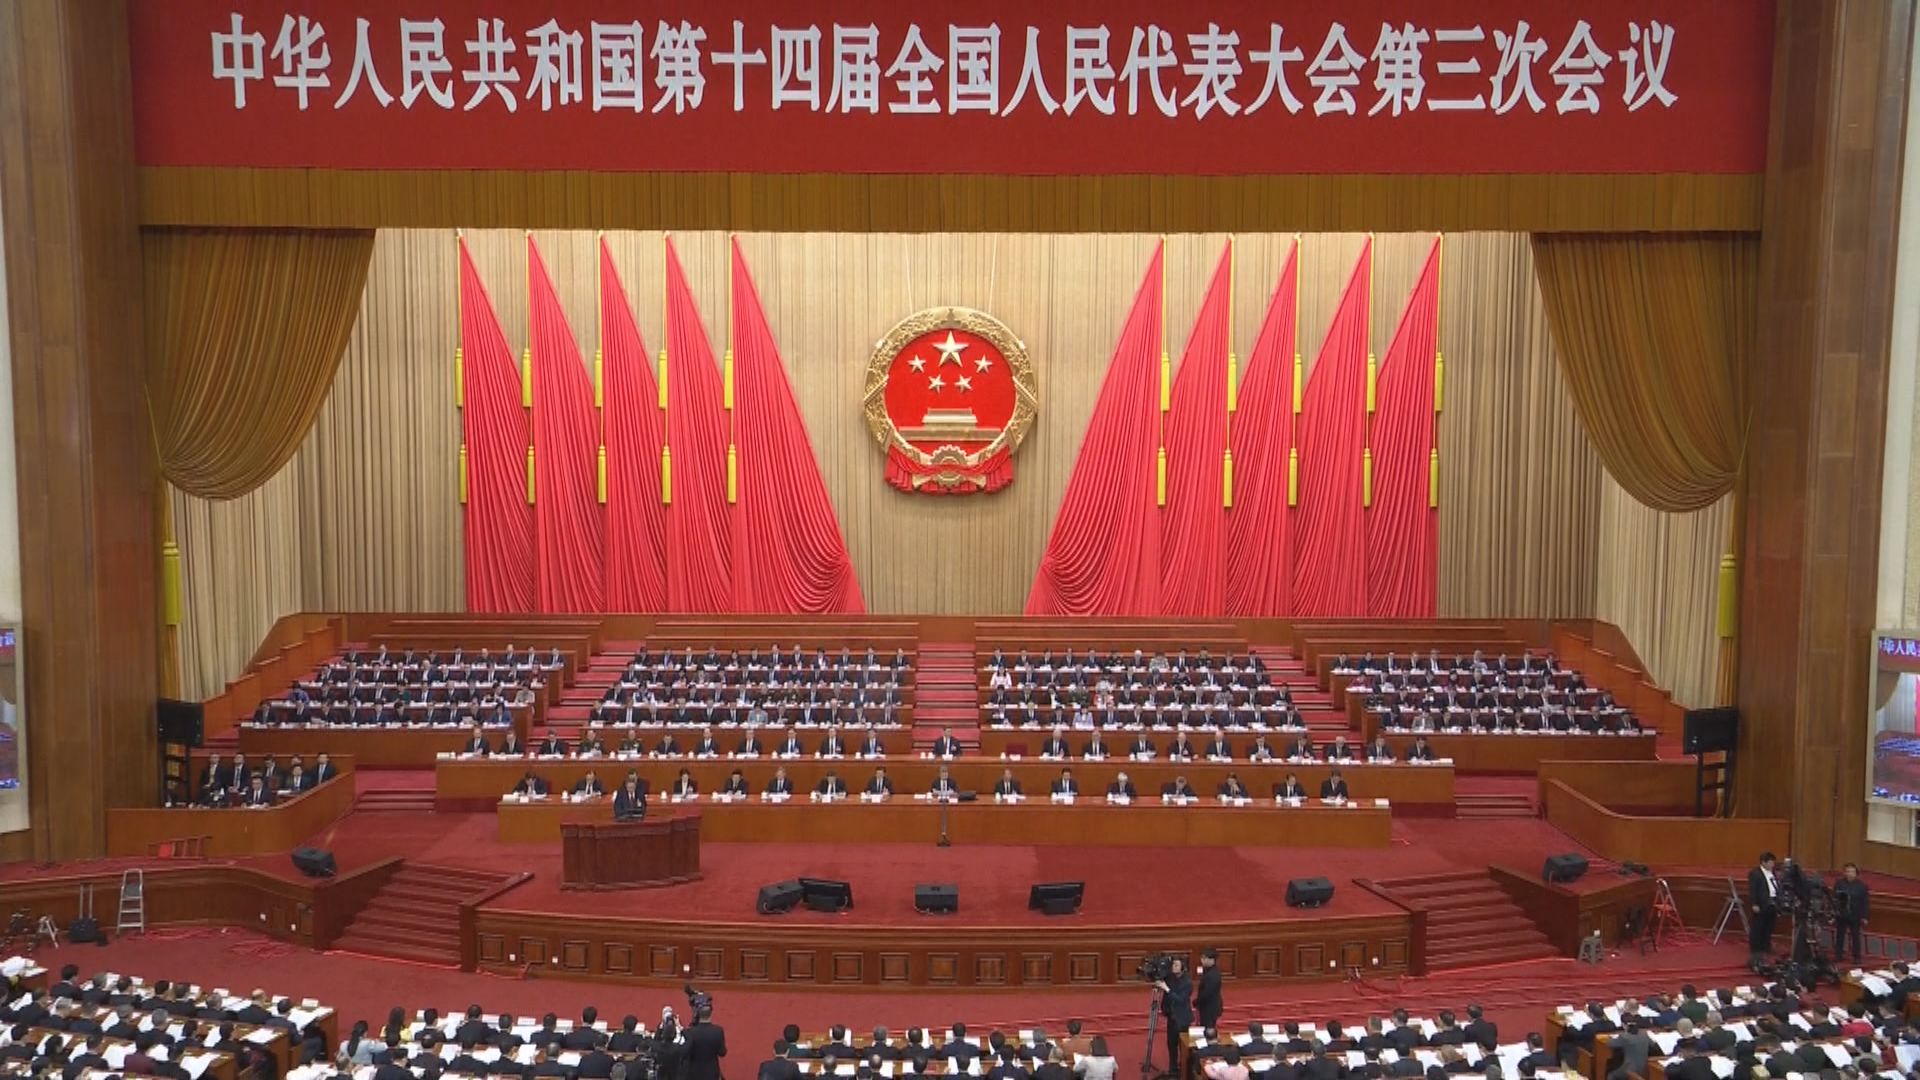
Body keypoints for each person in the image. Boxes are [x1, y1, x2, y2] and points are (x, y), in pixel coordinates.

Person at [1157, 958, 1193, 1078]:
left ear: (1183, 968)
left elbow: (1180, 999)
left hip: (1182, 1019)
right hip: (1171, 1017)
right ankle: (1173, 1070)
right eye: (1173, 964)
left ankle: (1184, 1070)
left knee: (1183, 1046)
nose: (1173, 967)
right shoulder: (1170, 978)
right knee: (1171, 1045)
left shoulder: (1187, 982)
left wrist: (1166, 989)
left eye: (1177, 965)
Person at [1748, 851, 1780, 970]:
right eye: (1771, 862)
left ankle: (1766, 947)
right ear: (1763, 862)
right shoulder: (1755, 873)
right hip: (1761, 904)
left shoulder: (1773, 873)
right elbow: (1753, 890)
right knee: (1758, 927)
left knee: (1769, 926)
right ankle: (1756, 950)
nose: (1773, 864)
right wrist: (1754, 903)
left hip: (1773, 903)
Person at [1835, 861, 1869, 963]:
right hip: (1842, 914)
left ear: (1856, 873)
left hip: (1855, 915)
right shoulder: (1839, 883)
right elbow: (1835, 898)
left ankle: (1856, 957)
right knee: (1840, 936)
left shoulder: (1862, 886)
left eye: (1852, 872)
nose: (1850, 874)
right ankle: (1838, 955)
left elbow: (1865, 902)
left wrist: (1865, 916)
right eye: (1848, 871)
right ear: (1844, 873)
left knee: (1855, 937)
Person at [1194, 948, 1223, 1030]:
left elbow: (1207, 993)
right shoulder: (1208, 971)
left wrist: (1197, 1001)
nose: (1202, 960)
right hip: (1207, 1006)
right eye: (1202, 958)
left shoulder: (1212, 975)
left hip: (1210, 1008)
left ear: (1212, 960)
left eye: (1204, 958)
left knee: (1208, 1030)